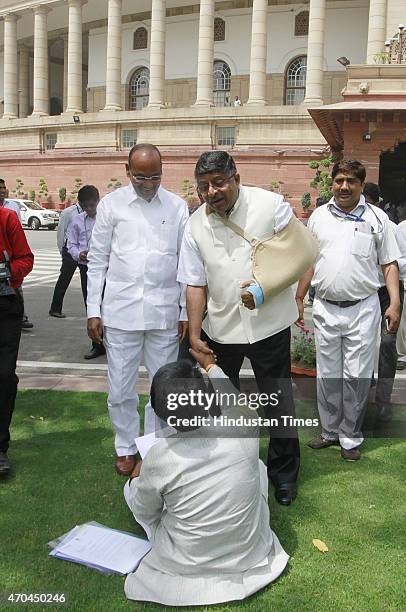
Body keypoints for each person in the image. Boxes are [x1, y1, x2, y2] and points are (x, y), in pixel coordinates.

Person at [177, 151, 301, 506]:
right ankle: (221, 470)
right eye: (204, 186)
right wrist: (196, 334)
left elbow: (301, 254)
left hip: (270, 326)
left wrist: (265, 289)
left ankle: (284, 475)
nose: (212, 192)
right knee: (217, 403)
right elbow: (195, 283)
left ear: (236, 178)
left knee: (278, 402)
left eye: (219, 182)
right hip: (222, 329)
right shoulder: (194, 225)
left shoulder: (271, 205)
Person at [123, 351, 289, 606]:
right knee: (257, 466)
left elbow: (145, 512)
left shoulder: (158, 458)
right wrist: (210, 366)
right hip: (248, 552)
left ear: (159, 411)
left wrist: (137, 478)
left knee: (132, 491)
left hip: (188, 561)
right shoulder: (243, 425)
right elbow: (233, 398)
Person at [87, 143, 189, 476]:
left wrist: (185, 311)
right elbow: (97, 261)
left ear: (164, 170)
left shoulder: (176, 206)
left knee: (163, 387)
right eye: (141, 177)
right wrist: (93, 309)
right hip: (120, 312)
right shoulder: (111, 205)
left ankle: (155, 449)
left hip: (164, 313)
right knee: (120, 387)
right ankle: (126, 446)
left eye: (155, 176)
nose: (148, 183)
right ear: (127, 170)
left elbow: (186, 264)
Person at [297, 160, 400, 461]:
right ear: (332, 183)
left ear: (361, 184)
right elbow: (309, 261)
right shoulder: (318, 217)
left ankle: (350, 437)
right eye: (339, 180)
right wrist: (299, 297)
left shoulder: (378, 219)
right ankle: (329, 432)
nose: (344, 186)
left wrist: (394, 303)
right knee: (327, 373)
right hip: (326, 307)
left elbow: (389, 264)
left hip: (363, 309)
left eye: (351, 181)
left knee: (355, 375)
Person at [363, 182, 406, 421]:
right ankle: (364, 384)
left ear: (377, 203)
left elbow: (401, 261)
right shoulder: (347, 224)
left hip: (387, 291)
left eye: (369, 203)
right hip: (365, 291)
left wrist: (395, 297)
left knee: (388, 344)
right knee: (362, 342)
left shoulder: (390, 227)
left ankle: (383, 399)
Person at [0, 206, 34, 475]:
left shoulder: (6, 218)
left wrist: (7, 271)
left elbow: (26, 258)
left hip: (5, 305)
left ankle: (0, 448)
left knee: (4, 376)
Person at [66, 185, 106, 360]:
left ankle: (113, 343)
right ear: (80, 205)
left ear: (98, 201)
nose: (90, 209)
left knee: (109, 305)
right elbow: (71, 245)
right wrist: (78, 254)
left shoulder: (105, 219)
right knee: (92, 305)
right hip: (86, 268)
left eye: (92, 205)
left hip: (107, 268)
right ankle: (97, 344)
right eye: (86, 206)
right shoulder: (76, 221)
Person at [0, 179, 34, 330]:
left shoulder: (8, 215)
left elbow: (25, 259)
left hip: (6, 292)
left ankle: (22, 318)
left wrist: (6, 271)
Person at [49, 198, 83, 317]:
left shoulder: (93, 211)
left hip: (84, 251)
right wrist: (62, 250)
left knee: (87, 281)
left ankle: (92, 311)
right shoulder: (69, 212)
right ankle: (55, 308)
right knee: (64, 280)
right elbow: (61, 232)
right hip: (69, 250)